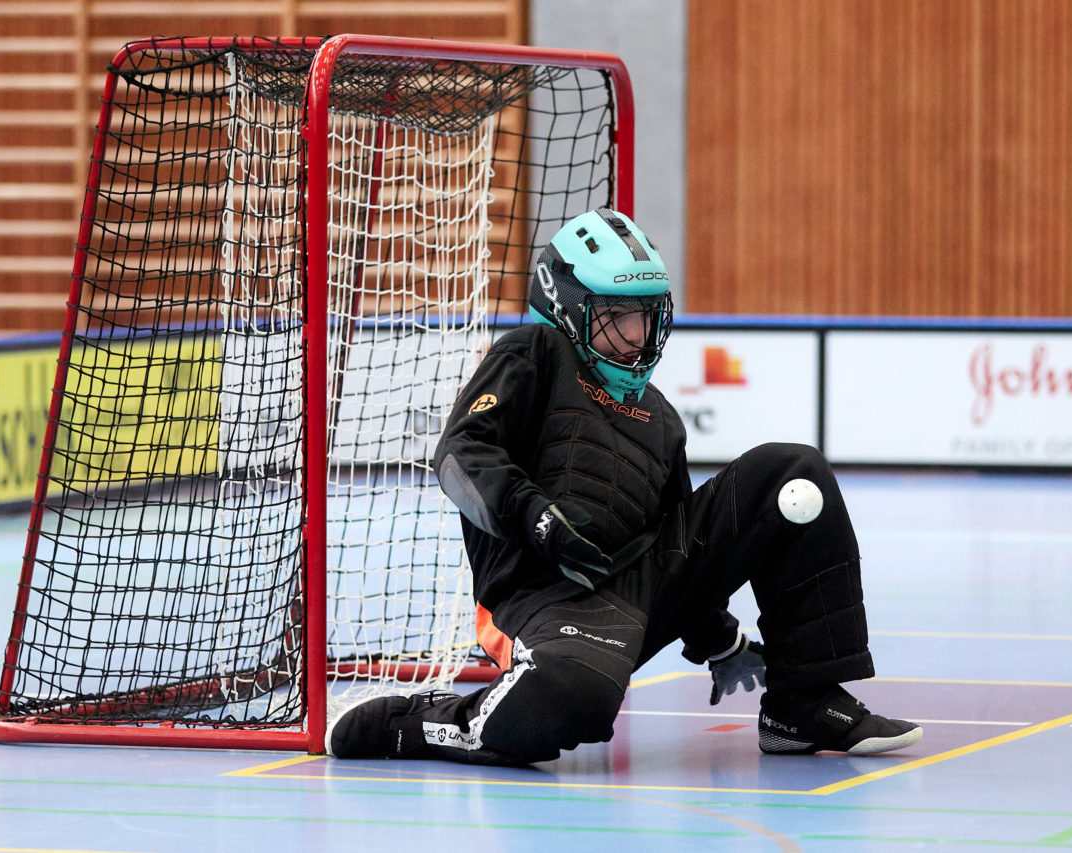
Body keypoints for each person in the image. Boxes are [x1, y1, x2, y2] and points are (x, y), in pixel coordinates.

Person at [326, 208, 921, 764]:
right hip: (543, 602)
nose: (637, 337)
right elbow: (460, 454)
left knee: (796, 477)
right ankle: (414, 724)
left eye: (646, 316)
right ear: (569, 307)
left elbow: (676, 540)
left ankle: (802, 706)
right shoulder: (533, 353)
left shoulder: (661, 418)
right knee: (562, 704)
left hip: (635, 592)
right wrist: (536, 516)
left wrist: (720, 641)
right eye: (618, 319)